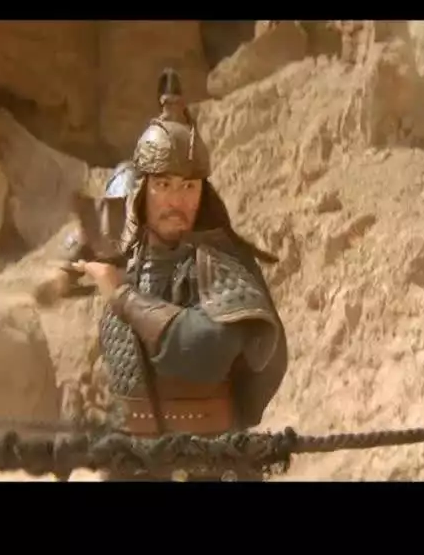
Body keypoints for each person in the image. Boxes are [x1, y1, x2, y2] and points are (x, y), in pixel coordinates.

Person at [73, 68, 288, 482]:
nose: (177, 200)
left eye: (189, 187)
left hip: (210, 465)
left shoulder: (222, 261)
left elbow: (204, 349)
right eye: (165, 185)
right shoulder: (129, 259)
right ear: (143, 190)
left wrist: (122, 296)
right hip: (133, 465)